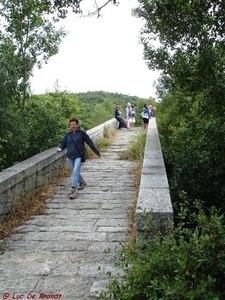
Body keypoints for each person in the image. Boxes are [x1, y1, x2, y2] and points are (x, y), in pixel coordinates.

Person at [57, 117, 101, 199]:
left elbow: (90, 143)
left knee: (75, 171)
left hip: (79, 155)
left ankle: (73, 190)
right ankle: (82, 182)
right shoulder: (68, 134)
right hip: (70, 155)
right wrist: (60, 148)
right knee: (74, 172)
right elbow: (63, 143)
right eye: (71, 124)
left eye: (74, 124)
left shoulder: (82, 133)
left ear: (77, 124)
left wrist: (97, 152)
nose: (72, 126)